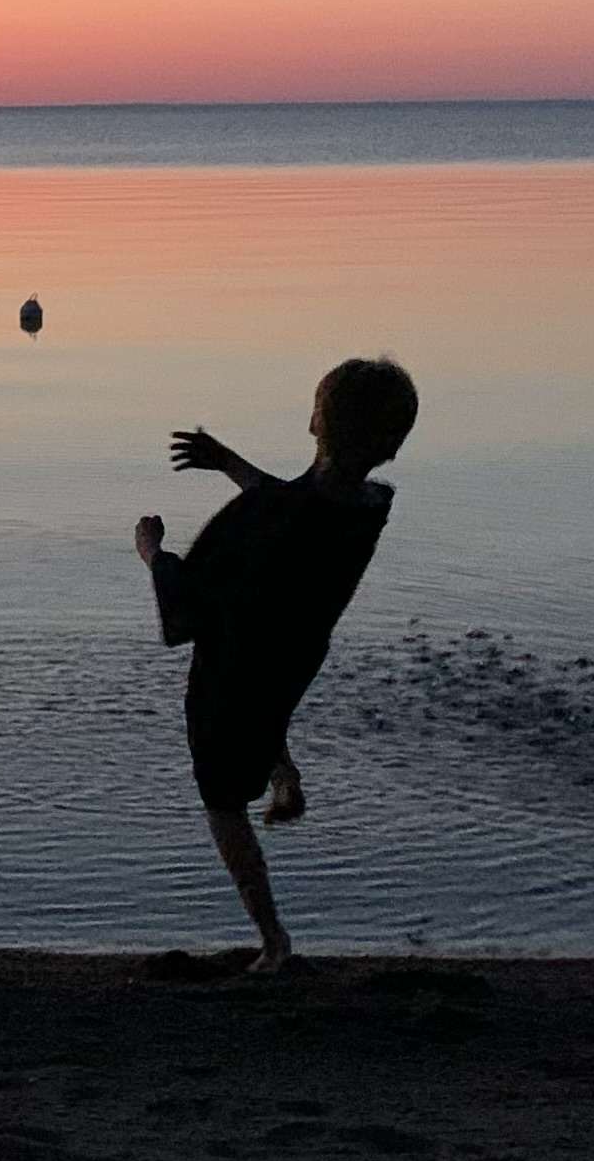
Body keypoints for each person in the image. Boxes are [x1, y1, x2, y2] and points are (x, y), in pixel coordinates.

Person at [133, 357, 419, 975]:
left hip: (236, 662)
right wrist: (227, 462)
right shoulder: (370, 506)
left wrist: (153, 554)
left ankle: (273, 940)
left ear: (316, 424)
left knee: (221, 799)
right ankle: (282, 774)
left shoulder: (266, 518)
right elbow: (291, 502)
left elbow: (187, 609)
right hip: (296, 654)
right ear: (392, 444)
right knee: (263, 717)